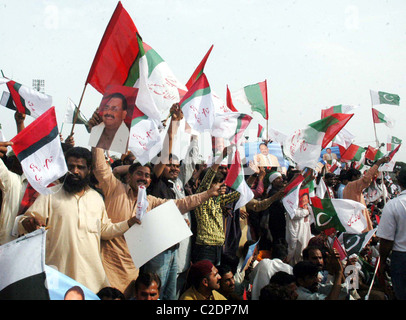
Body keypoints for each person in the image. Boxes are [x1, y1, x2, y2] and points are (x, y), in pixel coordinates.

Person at [91, 145, 222, 298]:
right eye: (139, 174)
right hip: (107, 265)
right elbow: (100, 167)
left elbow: (181, 204)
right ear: (128, 177)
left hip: (132, 269)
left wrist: (208, 194)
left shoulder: (150, 201)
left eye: (147, 176)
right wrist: (99, 139)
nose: (143, 178)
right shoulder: (115, 188)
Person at [18, 147, 142, 293]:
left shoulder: (96, 198)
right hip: (58, 276)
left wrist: (129, 223)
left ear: (89, 169)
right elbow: (26, 221)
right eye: (71, 167)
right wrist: (28, 223)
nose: (75, 171)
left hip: (91, 279)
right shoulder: (50, 194)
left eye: (80, 167)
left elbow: (104, 230)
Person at [142, 104, 199, 300]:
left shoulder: (173, 186)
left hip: (174, 248)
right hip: (158, 250)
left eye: (177, 165)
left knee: (170, 297)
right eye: (170, 165)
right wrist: (174, 124)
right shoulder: (154, 182)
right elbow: (166, 152)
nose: (174, 168)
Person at [192, 149, 240, 266]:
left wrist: (248, 176)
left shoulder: (218, 200)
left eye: (220, 182)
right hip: (205, 246)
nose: (219, 186)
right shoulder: (200, 198)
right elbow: (208, 178)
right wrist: (221, 156)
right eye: (215, 183)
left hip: (218, 246)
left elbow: (239, 193)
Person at [377, 167, 406, 300]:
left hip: (401, 258)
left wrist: (382, 261)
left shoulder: (393, 205)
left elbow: (386, 240)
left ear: (399, 182)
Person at [343, 156, 390, 232]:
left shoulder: (349, 187)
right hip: (357, 224)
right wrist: (378, 163)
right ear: (353, 177)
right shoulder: (352, 186)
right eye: (358, 177)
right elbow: (366, 179)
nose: (360, 179)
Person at [285, 189, 312, 266]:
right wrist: (306, 211)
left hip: (304, 228)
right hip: (295, 230)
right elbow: (293, 214)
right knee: (294, 251)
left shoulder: (305, 200)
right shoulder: (290, 200)